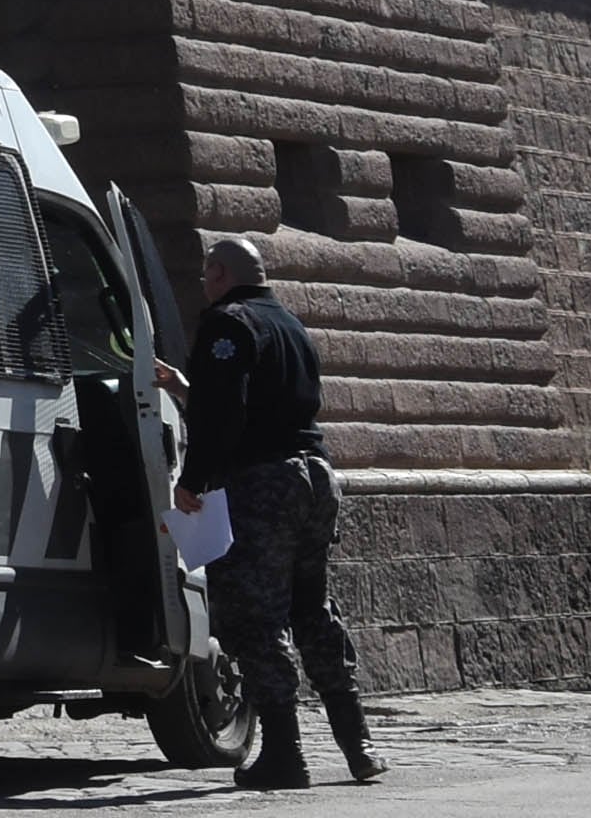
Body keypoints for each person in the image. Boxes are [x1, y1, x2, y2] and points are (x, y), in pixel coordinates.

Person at [174, 235, 379, 789]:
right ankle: (357, 743)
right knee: (313, 607)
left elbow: (226, 411)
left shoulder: (227, 322)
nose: (203, 284)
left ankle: (285, 754)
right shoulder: (288, 322)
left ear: (219, 273)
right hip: (316, 475)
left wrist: (192, 480)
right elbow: (267, 399)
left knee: (257, 615)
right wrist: (188, 388)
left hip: (264, 482)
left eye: (205, 274)